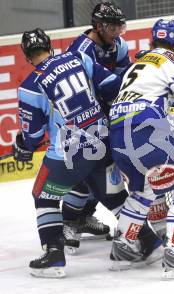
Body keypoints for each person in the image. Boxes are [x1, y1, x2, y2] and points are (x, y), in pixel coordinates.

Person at [13, 28, 124, 278]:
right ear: (50, 46)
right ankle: (146, 243)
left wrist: (22, 146)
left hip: (69, 151)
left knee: (43, 195)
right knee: (114, 197)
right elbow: (112, 86)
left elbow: (33, 135)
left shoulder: (30, 86)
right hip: (102, 139)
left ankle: (54, 254)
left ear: (27, 57)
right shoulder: (77, 58)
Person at [109, 18, 174, 279]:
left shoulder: (137, 63)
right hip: (146, 131)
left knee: (144, 190)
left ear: (152, 40)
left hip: (117, 134)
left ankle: (124, 245)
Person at [62, 1, 131, 248]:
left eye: (120, 27)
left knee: (105, 169)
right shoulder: (79, 51)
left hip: (109, 114)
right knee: (86, 171)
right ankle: (69, 220)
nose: (118, 33)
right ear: (99, 26)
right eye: (113, 28)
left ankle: (82, 216)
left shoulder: (118, 44)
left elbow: (126, 78)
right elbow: (107, 84)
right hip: (83, 120)